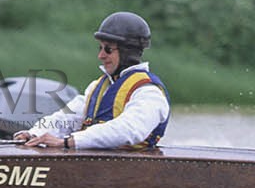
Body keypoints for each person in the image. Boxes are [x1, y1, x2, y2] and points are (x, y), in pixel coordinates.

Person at [15, 12, 170, 150]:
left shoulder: (148, 91)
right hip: (97, 169)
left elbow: (128, 129)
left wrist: (68, 142)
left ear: (127, 51)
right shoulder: (98, 87)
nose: (101, 56)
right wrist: (34, 133)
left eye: (108, 49)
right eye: (100, 48)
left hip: (134, 172)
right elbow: (67, 117)